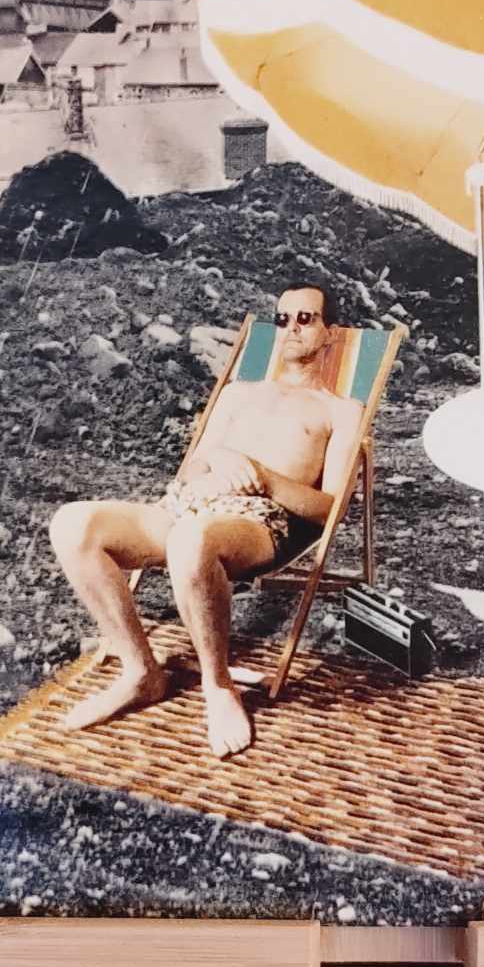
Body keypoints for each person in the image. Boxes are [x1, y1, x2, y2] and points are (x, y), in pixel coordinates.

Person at [49, 283, 362, 756]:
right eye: (283, 319)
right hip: (185, 506)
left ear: (330, 332)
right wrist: (216, 461)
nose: (292, 328)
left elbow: (330, 509)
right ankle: (141, 672)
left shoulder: (340, 411)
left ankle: (218, 687)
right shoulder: (237, 394)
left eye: (306, 318)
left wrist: (263, 477)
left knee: (192, 540)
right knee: (73, 524)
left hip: (257, 521)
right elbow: (191, 467)